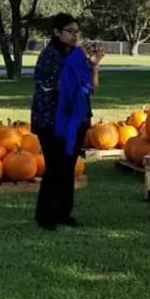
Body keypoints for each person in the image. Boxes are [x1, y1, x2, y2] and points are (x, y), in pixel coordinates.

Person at [31, 13, 102, 230]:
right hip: (52, 120)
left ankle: (63, 213)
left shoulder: (75, 55)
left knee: (69, 167)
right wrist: (79, 61)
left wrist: (93, 65)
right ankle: (45, 216)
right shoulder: (50, 55)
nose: (74, 36)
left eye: (76, 32)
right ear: (56, 32)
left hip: (76, 120)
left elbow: (91, 86)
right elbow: (58, 85)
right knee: (55, 167)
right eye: (70, 31)